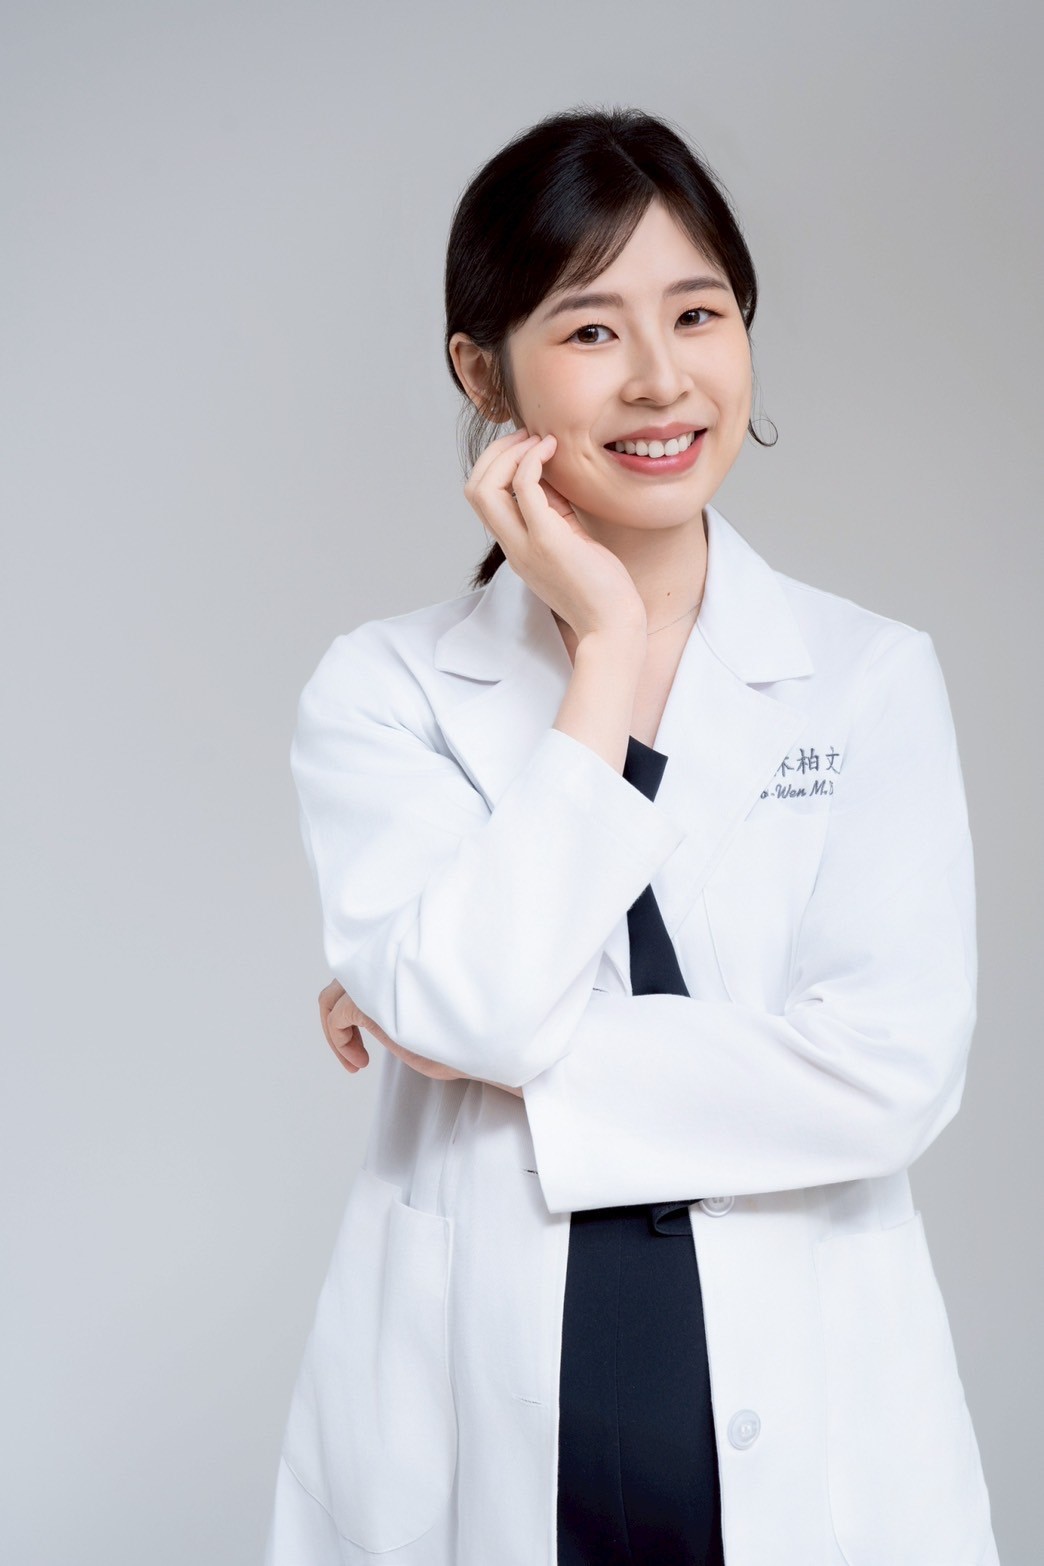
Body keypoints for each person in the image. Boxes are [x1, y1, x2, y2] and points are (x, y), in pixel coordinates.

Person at [264, 106, 999, 1566]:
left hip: (818, 1441)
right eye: (592, 329)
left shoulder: (866, 677)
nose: (663, 378)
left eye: (699, 313)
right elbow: (478, 1004)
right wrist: (601, 648)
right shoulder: (387, 689)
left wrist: (469, 1032)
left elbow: (890, 1076)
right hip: (478, 1423)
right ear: (485, 372)